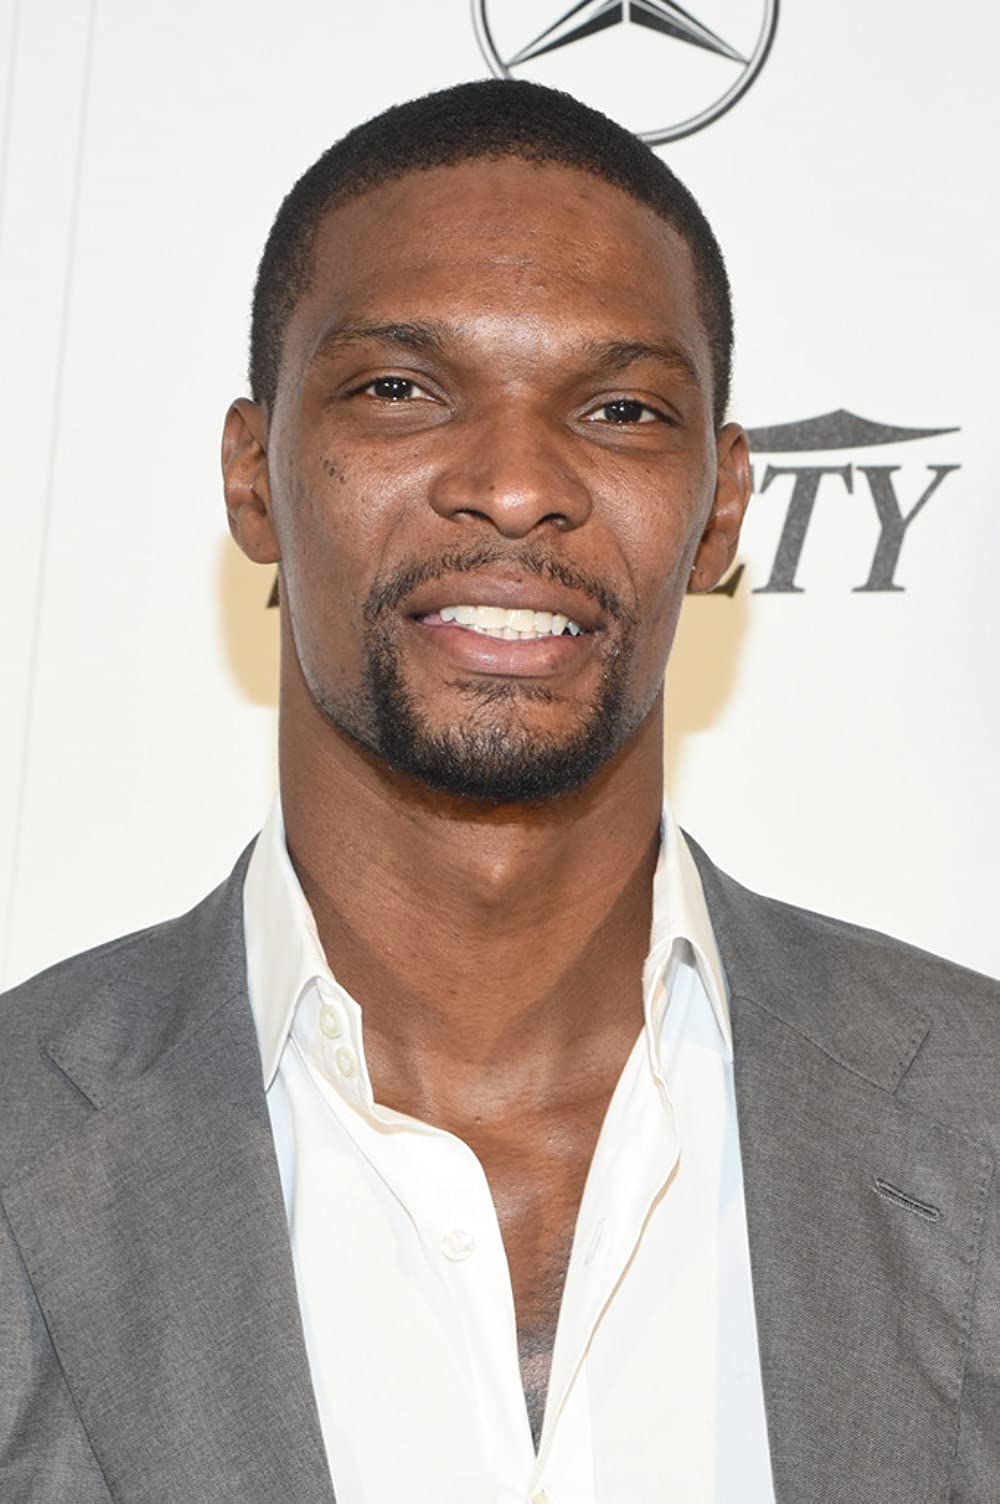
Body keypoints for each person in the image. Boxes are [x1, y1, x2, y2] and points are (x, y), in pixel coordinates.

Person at [1, 79, 997, 1504]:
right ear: (253, 477)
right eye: (401, 390)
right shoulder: (23, 1147)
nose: (518, 485)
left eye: (621, 408)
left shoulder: (974, 1116)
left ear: (721, 509)